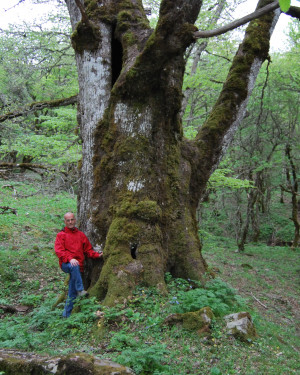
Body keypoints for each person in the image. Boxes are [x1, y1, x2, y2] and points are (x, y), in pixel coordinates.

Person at [54, 212, 103, 317]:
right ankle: (80, 289)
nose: (70, 222)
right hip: (66, 264)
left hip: (78, 267)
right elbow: (59, 251)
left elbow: (88, 250)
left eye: (72, 219)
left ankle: (66, 316)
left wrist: (97, 255)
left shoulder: (80, 235)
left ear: (75, 220)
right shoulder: (61, 235)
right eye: (68, 220)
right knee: (74, 265)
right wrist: (70, 259)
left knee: (71, 292)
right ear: (65, 222)